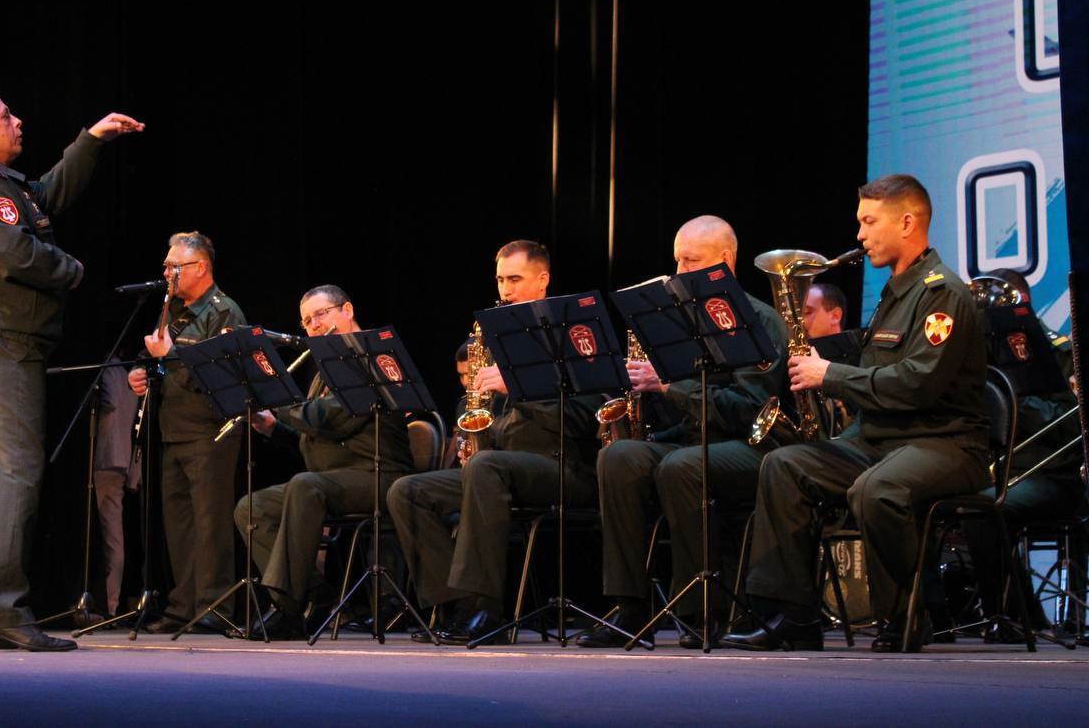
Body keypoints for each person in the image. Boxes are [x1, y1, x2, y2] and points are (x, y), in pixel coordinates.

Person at [723, 173, 989, 653]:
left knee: (876, 489)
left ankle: (908, 614)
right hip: (882, 440)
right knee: (784, 465)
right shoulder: (894, 292)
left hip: (945, 443)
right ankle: (794, 616)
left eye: (869, 222)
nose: (860, 235)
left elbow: (918, 384)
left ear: (906, 223)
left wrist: (830, 375)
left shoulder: (942, 293)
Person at [0, 85, 143, 652]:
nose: (17, 121)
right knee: (14, 474)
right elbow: (17, 253)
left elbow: (45, 194)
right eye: (5, 116)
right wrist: (71, 269)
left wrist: (91, 140)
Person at [576, 215, 790, 648]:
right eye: (677, 261)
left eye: (691, 262)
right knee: (618, 456)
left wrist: (669, 387)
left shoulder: (760, 321)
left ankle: (701, 609)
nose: (679, 273)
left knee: (681, 466)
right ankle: (630, 604)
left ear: (725, 261)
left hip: (748, 445)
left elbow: (749, 409)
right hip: (689, 440)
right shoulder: (674, 322)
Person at [387, 240, 602, 645]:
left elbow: (582, 421)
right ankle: (452, 607)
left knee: (486, 467)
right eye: (501, 280)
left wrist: (518, 385)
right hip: (499, 469)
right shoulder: (495, 341)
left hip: (563, 467)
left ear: (543, 279)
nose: (505, 290)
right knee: (407, 491)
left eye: (515, 279)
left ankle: (486, 610)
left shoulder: (573, 333)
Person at [236, 285, 415, 640]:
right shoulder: (325, 370)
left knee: (305, 485)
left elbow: (326, 419)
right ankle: (319, 597)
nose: (314, 325)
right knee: (252, 508)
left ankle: (287, 609)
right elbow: (315, 440)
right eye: (306, 321)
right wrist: (273, 428)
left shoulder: (370, 356)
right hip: (332, 480)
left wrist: (276, 399)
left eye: (321, 315)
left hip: (379, 474)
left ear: (347, 310)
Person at [128, 232, 247, 633]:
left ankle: (214, 606)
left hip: (210, 430)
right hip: (172, 429)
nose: (166, 273)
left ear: (201, 268)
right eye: (166, 266)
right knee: (179, 524)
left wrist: (171, 354)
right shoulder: (174, 311)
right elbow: (155, 360)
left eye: (174, 266)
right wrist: (140, 373)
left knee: (210, 523)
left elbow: (223, 373)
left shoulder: (224, 311)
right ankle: (183, 605)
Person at [964, 268, 1083, 638]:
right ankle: (949, 614)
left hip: (1053, 474)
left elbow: (1070, 424)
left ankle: (1011, 617)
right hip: (1000, 471)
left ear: (1023, 305)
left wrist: (1014, 398)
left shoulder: (1060, 353)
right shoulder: (979, 360)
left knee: (985, 510)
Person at [93, 361, 141, 620]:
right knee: (114, 536)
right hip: (121, 459)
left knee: (107, 537)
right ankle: (110, 603)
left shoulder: (110, 372)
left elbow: (111, 406)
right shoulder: (127, 373)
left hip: (104, 459)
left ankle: (106, 604)